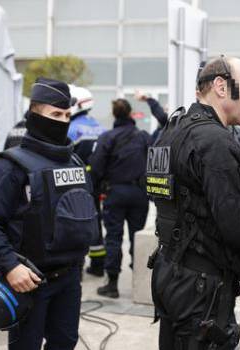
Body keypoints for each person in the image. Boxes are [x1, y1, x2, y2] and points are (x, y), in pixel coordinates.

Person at [149, 56, 240, 349]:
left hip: (171, 272)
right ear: (220, 86)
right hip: (200, 286)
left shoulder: (172, 130)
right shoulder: (215, 140)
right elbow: (239, 221)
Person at [0, 77, 96, 350]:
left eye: (66, 115)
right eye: (54, 114)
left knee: (64, 343)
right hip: (28, 282)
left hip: (69, 278)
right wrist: (10, 266)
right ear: (34, 116)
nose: (62, 121)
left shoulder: (74, 160)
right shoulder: (9, 166)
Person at [89, 98, 152, 298]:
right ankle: (140, 284)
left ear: (114, 115)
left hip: (114, 193)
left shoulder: (107, 137)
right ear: (131, 113)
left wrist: (96, 188)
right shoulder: (143, 137)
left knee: (114, 237)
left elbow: (96, 167)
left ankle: (112, 285)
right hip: (139, 194)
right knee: (137, 237)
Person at [67, 85, 107, 277]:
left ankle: (77, 264)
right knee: (95, 220)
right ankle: (98, 264)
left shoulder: (70, 128)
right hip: (96, 182)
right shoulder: (99, 127)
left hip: (74, 181)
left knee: (74, 221)